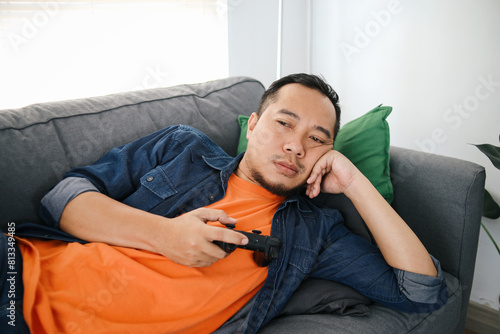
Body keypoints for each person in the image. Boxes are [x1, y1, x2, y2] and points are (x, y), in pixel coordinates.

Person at [4, 73, 447, 333]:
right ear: (252, 125)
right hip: (20, 275)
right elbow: (62, 199)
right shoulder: (182, 148)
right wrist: (166, 235)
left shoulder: (318, 234)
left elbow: (422, 293)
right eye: (283, 124)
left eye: (316, 140)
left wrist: (355, 183)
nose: (295, 147)